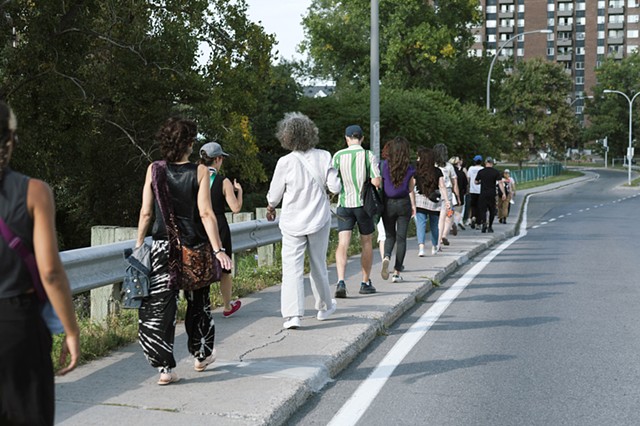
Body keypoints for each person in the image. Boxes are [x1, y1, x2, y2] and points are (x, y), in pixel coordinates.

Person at [135, 117, 232, 385]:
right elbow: (205, 213)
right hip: (194, 248)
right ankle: (201, 356)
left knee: (161, 306)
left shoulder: (153, 169)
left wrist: (139, 242)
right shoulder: (200, 171)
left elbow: (145, 212)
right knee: (198, 303)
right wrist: (219, 249)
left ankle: (165, 369)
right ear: (189, 143)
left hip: (162, 247)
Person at [0, 100, 80, 425]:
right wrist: (71, 330)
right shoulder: (33, 192)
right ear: (10, 140)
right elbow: (50, 272)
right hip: (18, 327)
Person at [266, 112, 341, 329]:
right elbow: (335, 187)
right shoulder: (325, 156)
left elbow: (274, 195)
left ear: (286, 136)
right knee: (318, 264)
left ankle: (293, 316)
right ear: (311, 133)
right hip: (318, 218)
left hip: (291, 222)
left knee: (291, 268)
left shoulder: (284, 162)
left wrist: (271, 207)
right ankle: (324, 307)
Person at [332, 125, 381, 298]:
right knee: (366, 242)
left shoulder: (338, 156)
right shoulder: (368, 155)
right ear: (362, 137)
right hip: (363, 205)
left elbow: (332, 183)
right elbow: (376, 182)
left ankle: (340, 281)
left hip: (344, 204)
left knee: (343, 242)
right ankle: (365, 282)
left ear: (346, 138)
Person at [199, 141, 243, 317]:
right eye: (221, 159)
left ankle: (202, 306)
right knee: (225, 269)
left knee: (202, 266)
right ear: (217, 159)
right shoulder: (223, 181)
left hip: (200, 224)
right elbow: (236, 208)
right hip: (219, 225)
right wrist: (239, 191)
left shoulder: (194, 177)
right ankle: (226, 306)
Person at [380, 137, 416, 282]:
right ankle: (396, 272)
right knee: (401, 238)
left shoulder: (384, 165)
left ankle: (386, 256)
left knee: (389, 236)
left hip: (387, 204)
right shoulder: (410, 167)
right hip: (403, 204)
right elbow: (411, 188)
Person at [414, 147, 447, 256]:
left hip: (420, 199)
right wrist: (446, 200)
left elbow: (412, 185)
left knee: (421, 224)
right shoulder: (437, 171)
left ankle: (421, 248)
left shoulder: (417, 170)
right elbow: (442, 186)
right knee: (434, 224)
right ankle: (434, 246)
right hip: (434, 200)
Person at [433, 143, 459, 247]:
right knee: (448, 216)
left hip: (435, 192)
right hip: (447, 192)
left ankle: (439, 238)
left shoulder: (432, 165)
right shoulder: (449, 166)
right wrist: (457, 196)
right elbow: (454, 182)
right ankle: (443, 236)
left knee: (439, 217)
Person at [474, 157, 506, 233]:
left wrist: (480, 183)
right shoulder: (496, 172)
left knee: (483, 210)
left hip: (483, 193)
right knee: (492, 210)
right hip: (492, 193)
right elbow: (500, 183)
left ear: (485, 163)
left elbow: (475, 182)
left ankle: (484, 222)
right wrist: (503, 193)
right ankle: (490, 226)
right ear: (492, 163)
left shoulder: (481, 172)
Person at [450, 156, 468, 231]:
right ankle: (455, 223)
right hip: (459, 194)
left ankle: (450, 223)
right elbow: (465, 184)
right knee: (458, 211)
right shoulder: (461, 173)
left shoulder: (448, 173)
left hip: (449, 194)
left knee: (450, 211)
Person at [467, 155, 484, 229]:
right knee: (480, 206)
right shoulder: (482, 169)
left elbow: (468, 179)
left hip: (472, 190)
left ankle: (473, 217)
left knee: (473, 206)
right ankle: (478, 223)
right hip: (480, 190)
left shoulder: (471, 168)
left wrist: (468, 187)